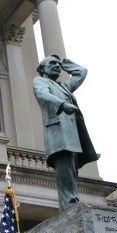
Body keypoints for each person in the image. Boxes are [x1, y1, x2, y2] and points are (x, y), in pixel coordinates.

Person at [32, 55, 99, 211]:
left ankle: (71, 203)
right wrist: (62, 104)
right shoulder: (40, 81)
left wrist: (64, 64)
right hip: (57, 134)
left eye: (57, 64)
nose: (56, 66)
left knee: (72, 172)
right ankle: (69, 205)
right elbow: (43, 94)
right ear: (42, 69)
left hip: (72, 135)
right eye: (52, 63)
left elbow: (81, 72)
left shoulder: (64, 86)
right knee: (65, 172)